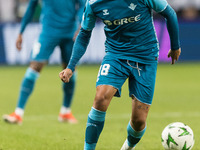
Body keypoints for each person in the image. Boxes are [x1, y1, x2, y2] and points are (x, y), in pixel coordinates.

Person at [59, 0, 181, 149]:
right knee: (100, 97)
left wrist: (175, 46)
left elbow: (169, 13)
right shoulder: (93, 3)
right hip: (116, 55)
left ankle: (128, 147)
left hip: (145, 57)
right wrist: (71, 66)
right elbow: (84, 33)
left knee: (139, 121)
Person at [3, 0, 85, 124]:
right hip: (48, 32)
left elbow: (82, 5)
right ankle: (18, 113)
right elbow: (31, 7)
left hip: (70, 33)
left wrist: (80, 24)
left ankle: (65, 112)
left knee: (70, 70)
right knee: (35, 66)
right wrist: (21, 31)